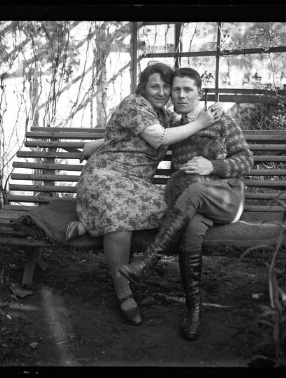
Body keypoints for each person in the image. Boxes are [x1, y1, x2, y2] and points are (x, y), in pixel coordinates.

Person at [68, 63, 223, 326]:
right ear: (143, 87)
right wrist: (201, 122)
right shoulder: (134, 104)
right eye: (155, 86)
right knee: (120, 211)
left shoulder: (163, 114)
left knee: (178, 206)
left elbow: (176, 123)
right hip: (105, 176)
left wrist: (217, 111)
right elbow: (161, 137)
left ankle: (90, 222)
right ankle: (124, 293)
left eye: (166, 87)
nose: (162, 92)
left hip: (135, 186)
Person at [118, 67, 253, 340]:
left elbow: (246, 160)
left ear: (199, 93)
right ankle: (193, 310)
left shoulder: (221, 120)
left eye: (188, 90)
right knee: (191, 232)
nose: (181, 95)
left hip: (225, 197)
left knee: (192, 192)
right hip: (195, 206)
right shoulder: (174, 125)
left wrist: (212, 164)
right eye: (176, 89)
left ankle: (147, 263)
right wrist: (96, 146)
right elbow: (133, 137)